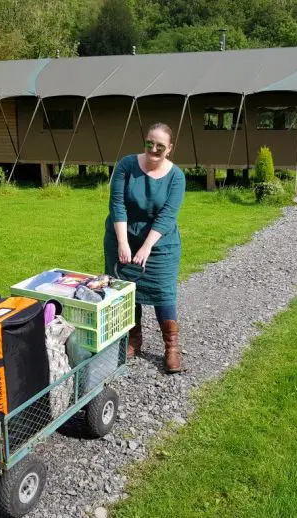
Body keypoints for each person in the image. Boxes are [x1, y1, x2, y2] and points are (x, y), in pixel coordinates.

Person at [103, 122, 186, 373]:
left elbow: (167, 215)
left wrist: (146, 247)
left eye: (160, 145)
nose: (154, 148)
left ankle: (171, 348)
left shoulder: (176, 177)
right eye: (150, 143)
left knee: (163, 290)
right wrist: (123, 242)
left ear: (169, 149)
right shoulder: (126, 166)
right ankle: (134, 341)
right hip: (122, 234)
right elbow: (117, 204)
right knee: (128, 289)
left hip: (160, 242)